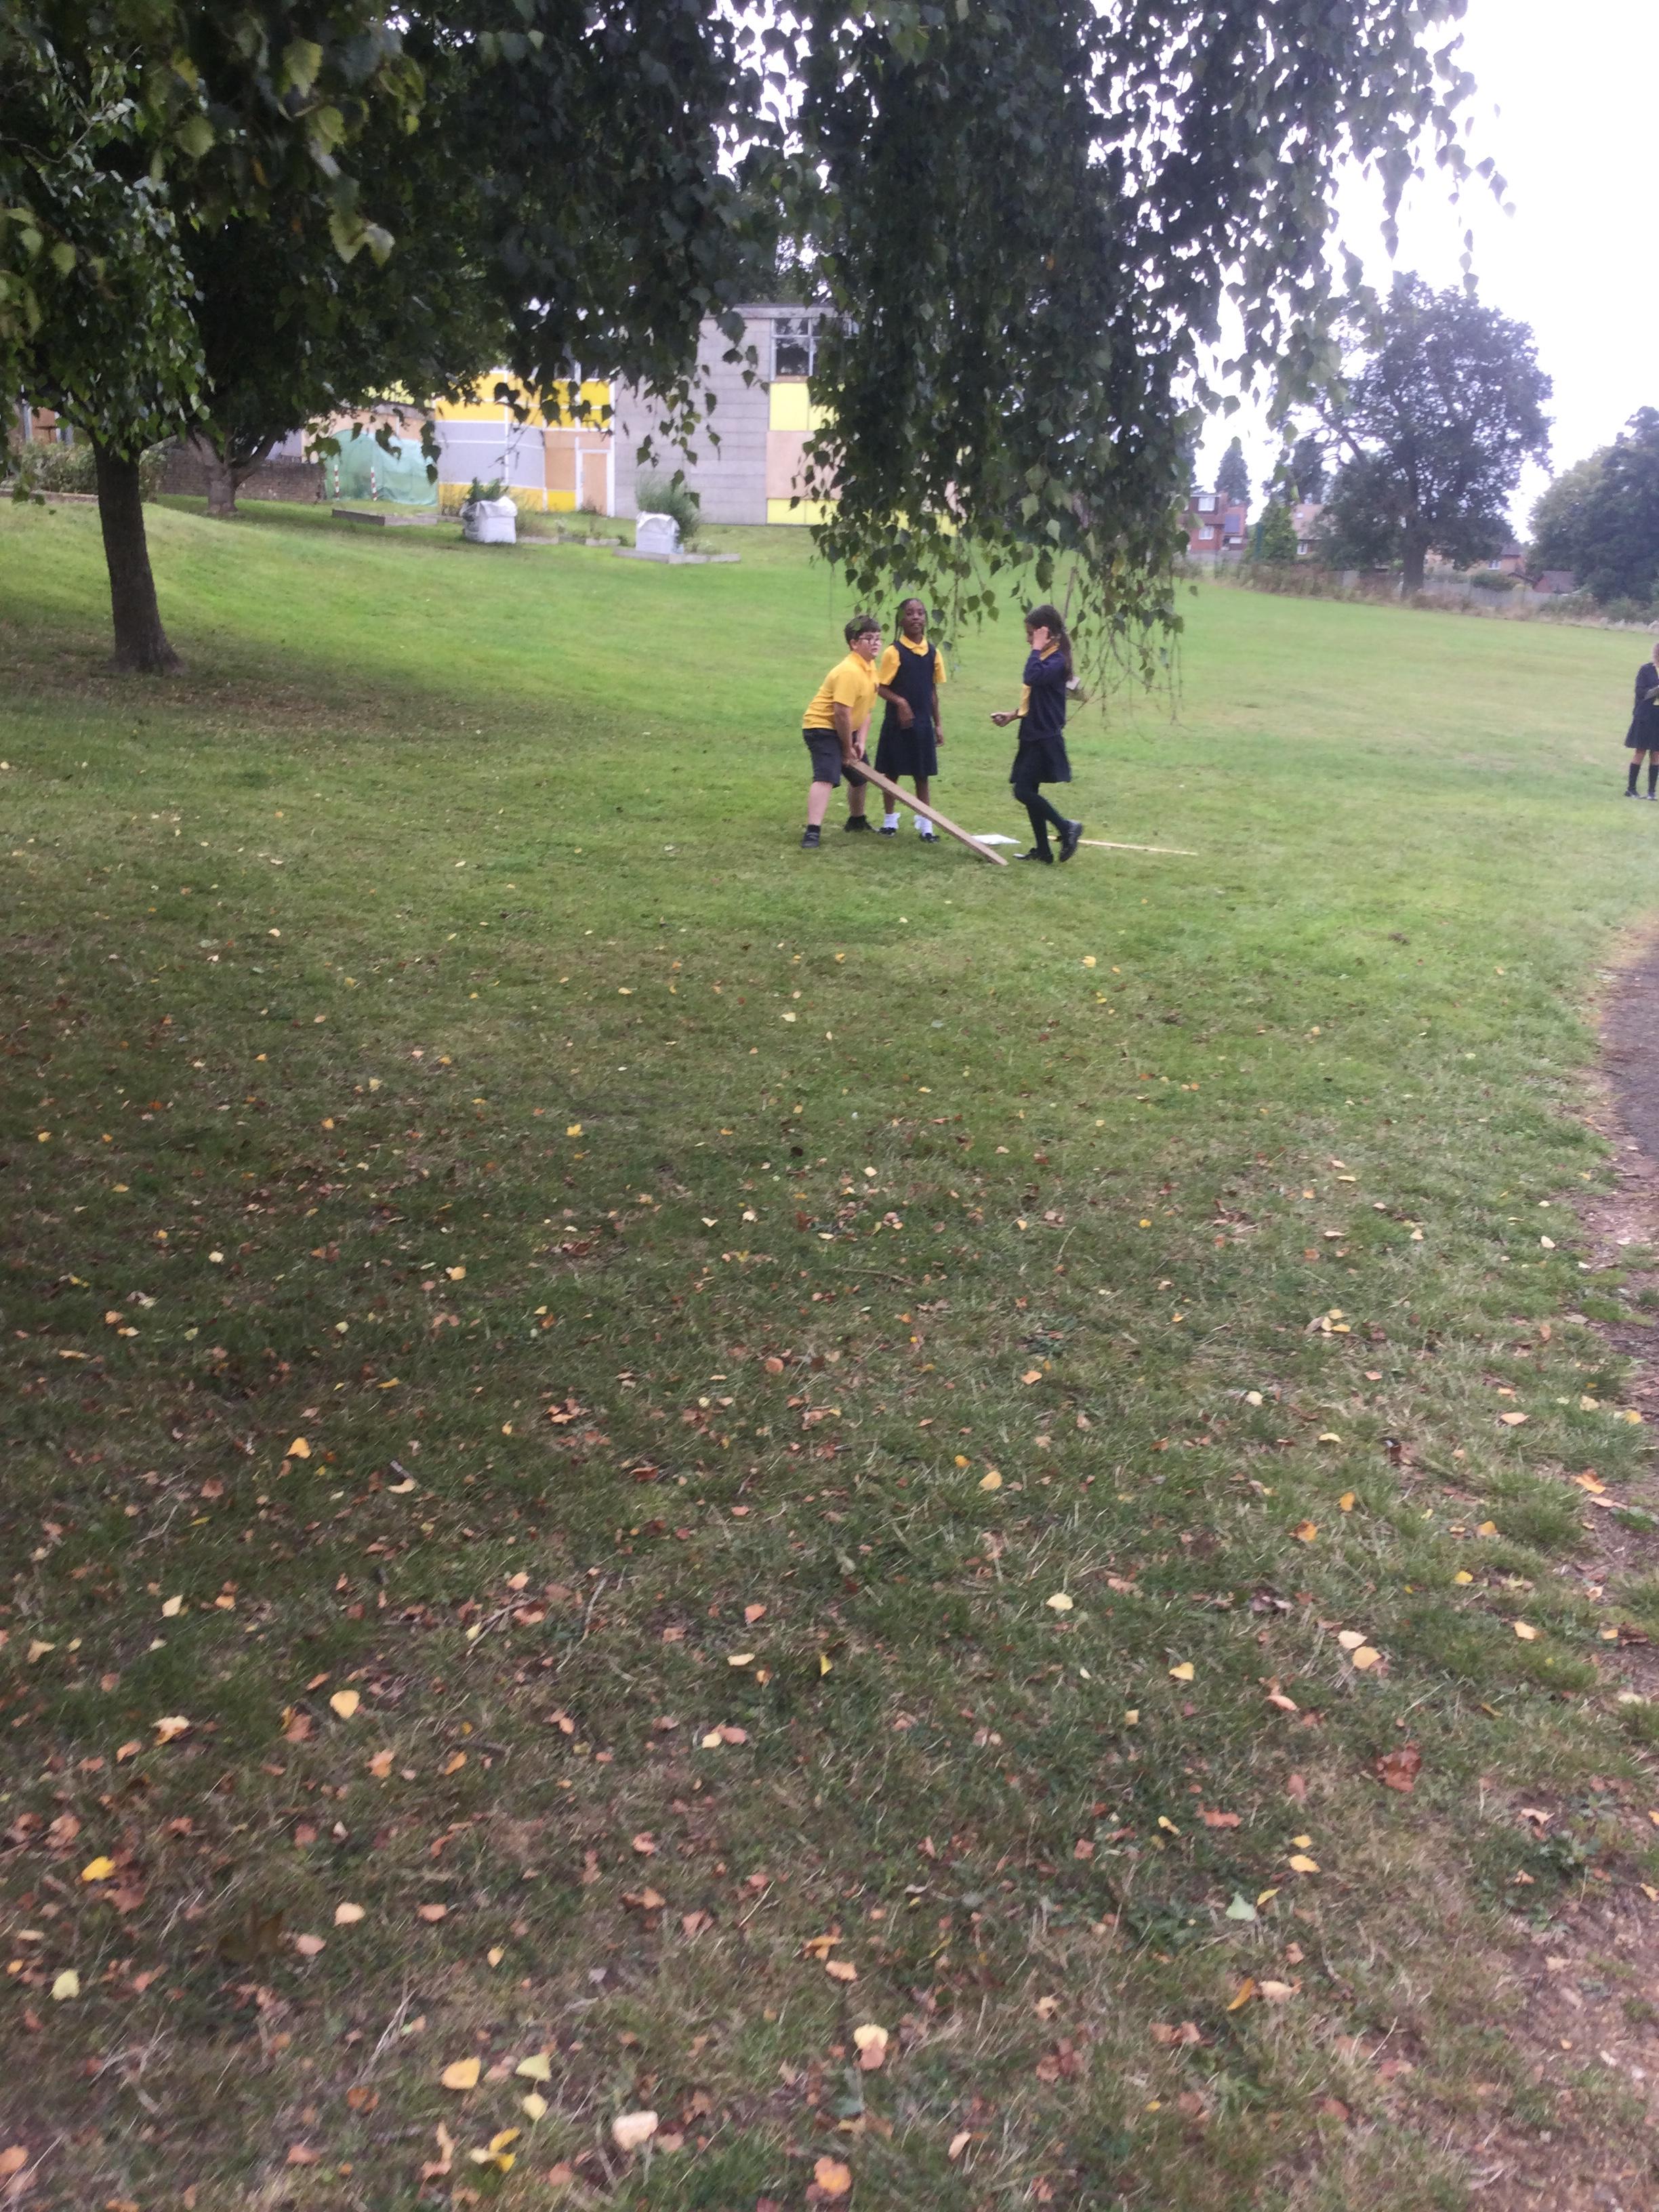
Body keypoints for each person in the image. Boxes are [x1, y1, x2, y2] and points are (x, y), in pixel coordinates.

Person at [990, 602, 1082, 863]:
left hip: (1045, 737)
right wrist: (1014, 714)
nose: (1028, 639)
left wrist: (1036, 647)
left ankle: (1067, 827)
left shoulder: (1057, 660)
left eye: (1032, 634)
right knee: (1029, 789)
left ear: (1047, 633)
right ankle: (1043, 850)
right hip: (1032, 732)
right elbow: (1038, 698)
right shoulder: (1046, 657)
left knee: (1023, 791)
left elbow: (1031, 676)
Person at [800, 615, 881, 847]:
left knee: (860, 776)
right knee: (826, 776)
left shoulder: (870, 668)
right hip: (822, 728)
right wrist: (846, 750)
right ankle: (812, 831)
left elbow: (865, 711)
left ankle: (857, 820)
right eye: (869, 638)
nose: (876, 643)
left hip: (846, 728)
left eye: (878, 638)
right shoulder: (849, 671)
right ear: (854, 644)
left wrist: (860, 742)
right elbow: (841, 714)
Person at [873, 596, 947, 840]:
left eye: (920, 613)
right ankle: (889, 821)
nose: (916, 617)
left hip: (923, 723)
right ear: (901, 620)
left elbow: (932, 691)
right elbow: (881, 687)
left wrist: (938, 724)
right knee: (891, 772)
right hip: (897, 723)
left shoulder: (933, 653)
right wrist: (901, 702)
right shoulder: (894, 652)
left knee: (922, 775)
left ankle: (926, 825)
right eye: (910, 613)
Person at [1625, 642, 1659, 798]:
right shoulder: (1646, 670)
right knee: (1640, 751)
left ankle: (1651, 792)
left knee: (1656, 753)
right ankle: (1631, 789)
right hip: (1646, 715)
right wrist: (1655, 691)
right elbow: (1639, 692)